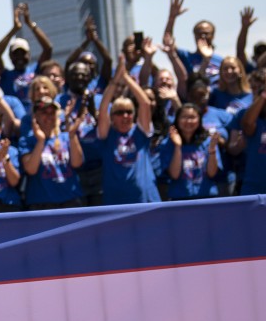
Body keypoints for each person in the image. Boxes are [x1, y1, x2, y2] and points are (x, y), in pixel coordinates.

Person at [97, 56, 160, 205]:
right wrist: (115, 80)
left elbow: (144, 103)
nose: (125, 116)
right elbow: (103, 107)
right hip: (115, 202)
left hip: (145, 199)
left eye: (129, 112)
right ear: (112, 117)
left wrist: (126, 77)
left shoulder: (141, 131)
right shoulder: (107, 134)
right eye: (119, 112)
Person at [19, 97, 85, 210]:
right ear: (36, 117)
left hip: (70, 201)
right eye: (44, 112)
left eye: (52, 113)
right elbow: (31, 169)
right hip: (41, 204)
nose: (49, 116)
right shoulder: (27, 141)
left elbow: (77, 163)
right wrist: (41, 141)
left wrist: (72, 136)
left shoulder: (67, 137)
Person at [0, 2, 53, 108]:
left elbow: (48, 48)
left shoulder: (36, 70)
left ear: (29, 55)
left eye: (23, 53)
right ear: (10, 57)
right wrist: (14, 29)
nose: (20, 57)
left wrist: (29, 23)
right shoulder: (5, 75)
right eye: (16, 54)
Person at [159, 104, 222, 200]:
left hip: (206, 197)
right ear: (177, 120)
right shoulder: (168, 143)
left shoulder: (208, 142)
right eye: (184, 117)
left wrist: (212, 150)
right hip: (180, 199)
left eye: (192, 117)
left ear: (199, 120)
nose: (188, 121)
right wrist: (177, 146)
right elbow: (174, 175)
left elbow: (212, 173)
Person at [164, 0, 224, 84]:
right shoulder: (186, 56)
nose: (203, 36)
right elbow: (168, 42)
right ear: (194, 36)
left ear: (213, 36)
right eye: (199, 33)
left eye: (206, 33)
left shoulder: (221, 61)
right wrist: (172, 18)